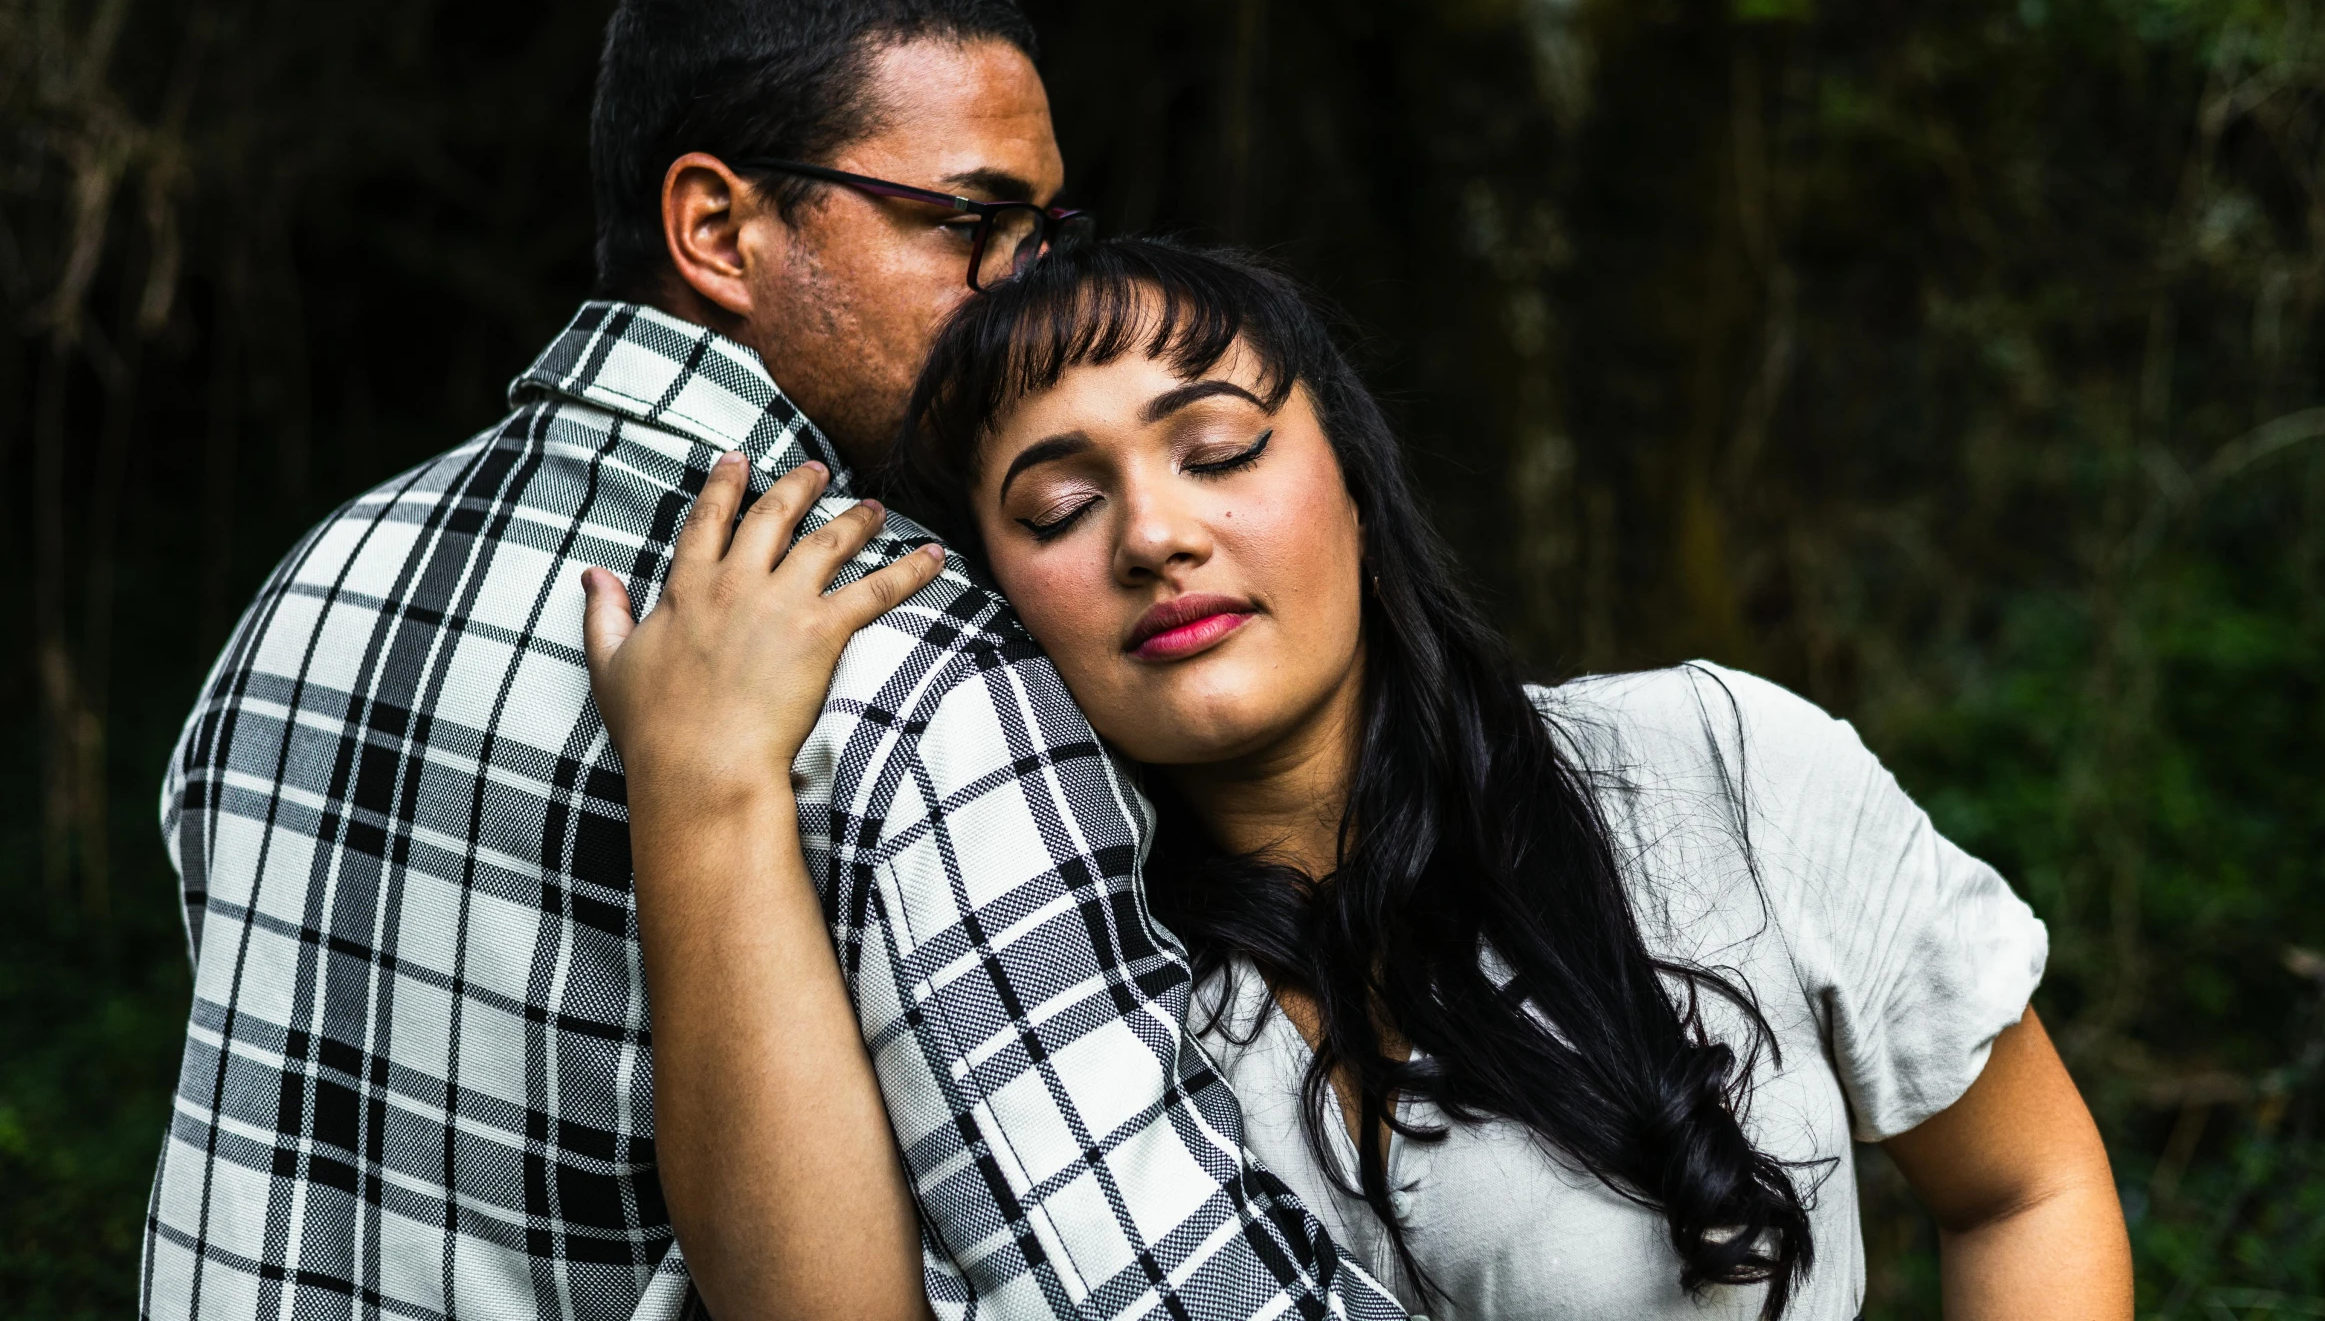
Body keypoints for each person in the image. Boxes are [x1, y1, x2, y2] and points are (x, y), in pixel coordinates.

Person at [144, 0, 1407, 1321]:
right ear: (717, 229)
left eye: (1046, 233)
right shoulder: (911, 671)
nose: (1028, 292)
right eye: (972, 225)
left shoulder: (321, 581)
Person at [581, 239, 2138, 1320]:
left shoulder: (1708, 765)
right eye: (1057, 505)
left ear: (1348, 472)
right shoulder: (1050, 963)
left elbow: (2021, 1184)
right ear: (997, 594)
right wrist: (702, 783)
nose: (1153, 533)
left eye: (1217, 447)